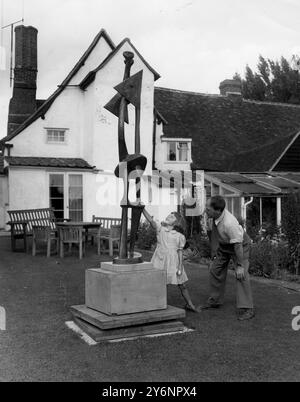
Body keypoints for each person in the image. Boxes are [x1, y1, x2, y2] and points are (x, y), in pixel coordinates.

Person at [201, 196, 254, 321]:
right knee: (215, 269)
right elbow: (212, 234)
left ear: (218, 210)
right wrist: (214, 253)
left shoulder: (229, 223)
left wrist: (240, 266)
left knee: (241, 275)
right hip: (224, 246)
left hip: (239, 246)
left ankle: (247, 308)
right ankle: (215, 300)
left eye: (208, 209)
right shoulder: (211, 217)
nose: (205, 211)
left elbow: (238, 246)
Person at [142, 209, 198, 312]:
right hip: (160, 259)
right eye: (169, 215)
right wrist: (142, 208)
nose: (168, 216)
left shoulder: (180, 236)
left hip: (174, 262)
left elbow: (180, 251)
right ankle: (156, 304)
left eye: (172, 217)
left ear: (176, 222)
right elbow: (151, 220)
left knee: (182, 284)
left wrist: (180, 266)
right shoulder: (160, 229)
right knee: (160, 282)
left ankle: (190, 304)